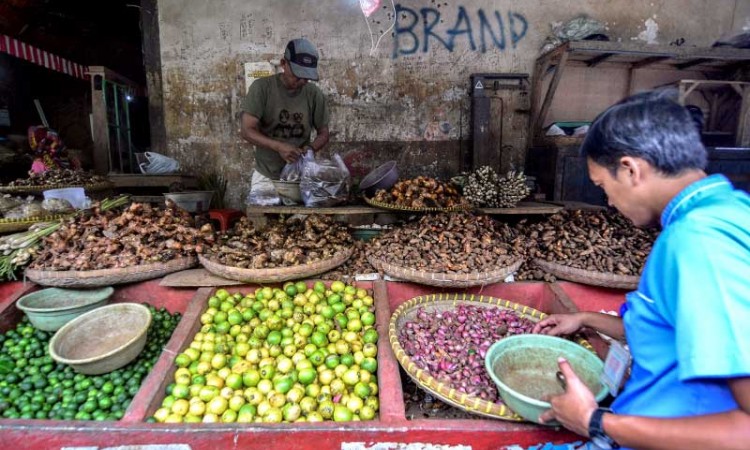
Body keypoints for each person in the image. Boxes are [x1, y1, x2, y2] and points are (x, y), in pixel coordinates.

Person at [532, 90, 750, 450]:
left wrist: (594, 421)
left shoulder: (700, 242)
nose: (609, 203)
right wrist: (585, 319)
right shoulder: (728, 210)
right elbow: (677, 330)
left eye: (604, 187)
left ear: (630, 169)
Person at [240, 38, 330, 204]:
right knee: (261, 226)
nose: (302, 81)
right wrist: (279, 146)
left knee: (304, 227)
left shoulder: (313, 94)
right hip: (266, 177)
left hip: (300, 179)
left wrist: (309, 149)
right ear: (283, 63)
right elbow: (247, 130)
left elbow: (324, 133)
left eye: (307, 77)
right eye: (298, 75)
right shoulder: (262, 88)